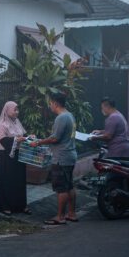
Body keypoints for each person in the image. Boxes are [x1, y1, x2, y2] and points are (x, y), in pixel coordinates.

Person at [30, 92, 78, 225]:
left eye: (50, 103)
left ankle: (60, 216)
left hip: (61, 157)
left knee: (61, 188)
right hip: (70, 154)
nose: (50, 105)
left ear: (56, 103)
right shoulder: (70, 115)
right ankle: (72, 214)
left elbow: (55, 138)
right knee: (69, 186)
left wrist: (38, 142)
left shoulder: (61, 118)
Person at [0, 101, 30, 215]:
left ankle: (21, 205)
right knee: (7, 180)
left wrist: (28, 137)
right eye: (14, 109)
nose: (17, 112)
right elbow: (3, 141)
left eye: (17, 109)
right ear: (8, 110)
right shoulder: (2, 124)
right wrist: (17, 139)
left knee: (19, 180)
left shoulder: (17, 122)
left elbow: (22, 135)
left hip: (18, 154)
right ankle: (5, 206)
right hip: (6, 156)